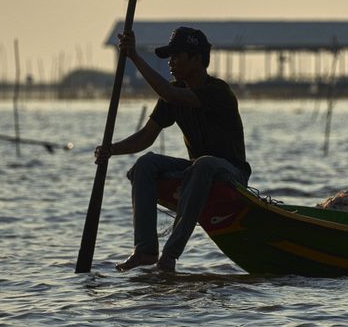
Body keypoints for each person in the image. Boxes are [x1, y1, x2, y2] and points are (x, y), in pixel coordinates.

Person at [95, 26, 251, 273]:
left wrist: (134, 56)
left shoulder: (218, 91)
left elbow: (170, 93)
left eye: (177, 56)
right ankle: (145, 250)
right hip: (198, 172)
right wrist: (110, 150)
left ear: (197, 59)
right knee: (146, 164)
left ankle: (169, 256)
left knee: (205, 163)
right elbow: (146, 136)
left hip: (231, 175)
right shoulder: (173, 94)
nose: (171, 63)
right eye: (170, 57)